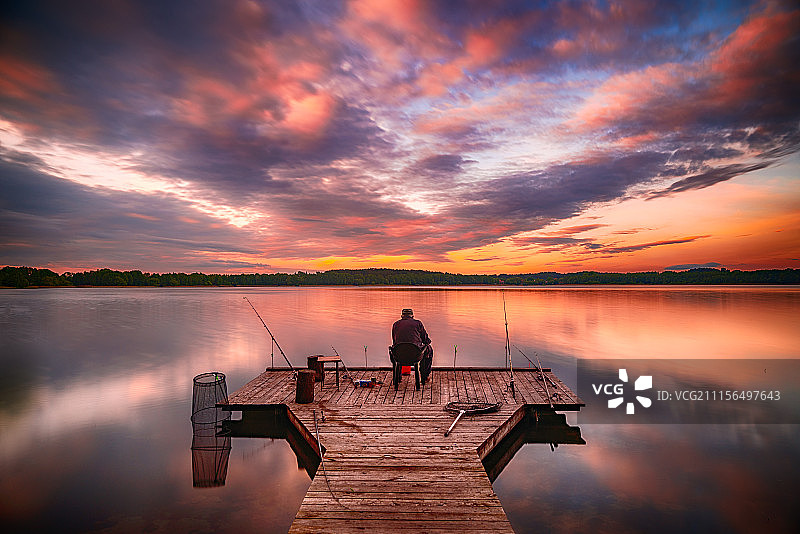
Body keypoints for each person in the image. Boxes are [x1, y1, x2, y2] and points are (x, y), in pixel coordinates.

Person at [390, 308, 434, 383]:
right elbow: (426, 340)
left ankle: (397, 377)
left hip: (399, 355)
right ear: (412, 316)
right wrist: (425, 343)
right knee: (429, 349)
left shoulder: (395, 324)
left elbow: (395, 341)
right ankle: (425, 376)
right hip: (415, 355)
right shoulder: (418, 323)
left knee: (395, 349)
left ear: (402, 316)